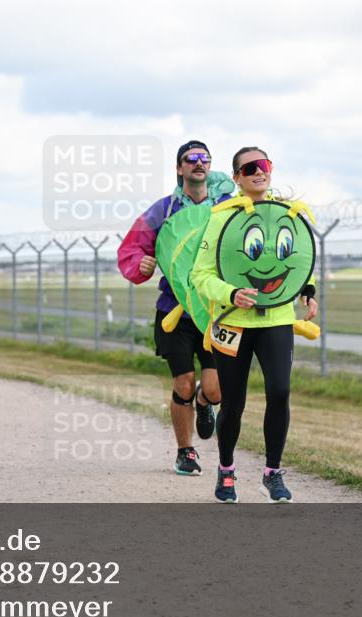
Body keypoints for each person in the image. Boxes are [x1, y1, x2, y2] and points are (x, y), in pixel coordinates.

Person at [191, 146, 318, 503]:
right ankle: (227, 471)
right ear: (236, 178)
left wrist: (308, 291)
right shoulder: (221, 218)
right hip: (234, 322)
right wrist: (230, 293)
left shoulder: (287, 214)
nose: (258, 172)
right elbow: (199, 275)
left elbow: (300, 262)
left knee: (280, 392)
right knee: (233, 403)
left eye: (264, 165)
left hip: (276, 318)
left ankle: (272, 473)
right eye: (249, 168)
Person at [117, 140, 233, 475]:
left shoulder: (227, 206)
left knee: (215, 389)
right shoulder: (163, 210)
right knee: (183, 381)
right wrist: (141, 264)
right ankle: (186, 451)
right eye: (191, 159)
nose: (199, 163)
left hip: (214, 310)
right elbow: (132, 248)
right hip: (175, 310)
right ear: (179, 168)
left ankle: (203, 403)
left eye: (204, 159)